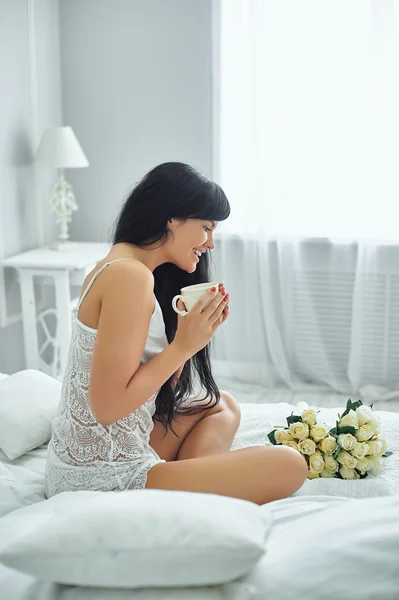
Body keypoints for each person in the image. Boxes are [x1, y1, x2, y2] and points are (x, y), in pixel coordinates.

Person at [45, 162, 307, 504]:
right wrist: (182, 347)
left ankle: (197, 485)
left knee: (220, 405)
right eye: (207, 227)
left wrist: (190, 337)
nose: (210, 243)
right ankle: (199, 489)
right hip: (97, 476)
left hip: (102, 451)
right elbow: (107, 408)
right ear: (173, 218)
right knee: (289, 464)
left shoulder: (123, 267)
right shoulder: (130, 277)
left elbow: (141, 394)